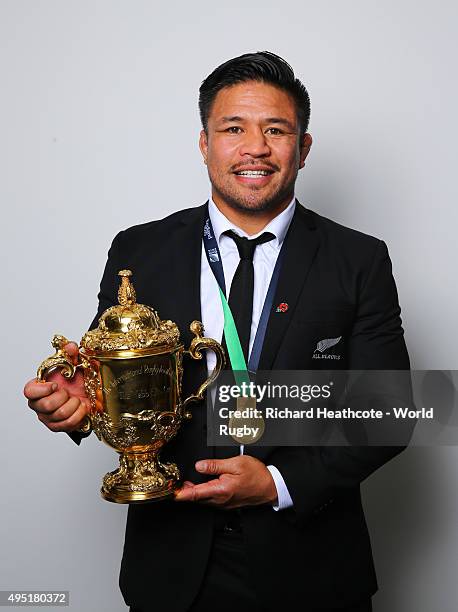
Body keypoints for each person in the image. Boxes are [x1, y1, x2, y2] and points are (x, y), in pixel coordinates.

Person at [24, 51, 410, 612]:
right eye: (233, 129)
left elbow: (393, 411)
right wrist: (80, 402)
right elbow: (102, 380)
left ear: (302, 148)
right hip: (172, 564)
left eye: (275, 130)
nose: (255, 147)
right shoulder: (139, 252)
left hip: (314, 567)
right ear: (204, 144)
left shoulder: (359, 259)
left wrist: (278, 483)